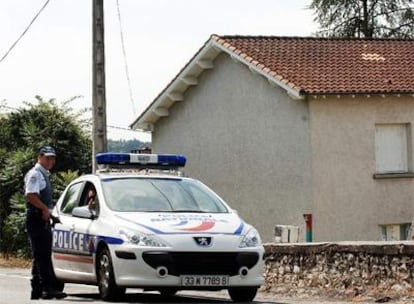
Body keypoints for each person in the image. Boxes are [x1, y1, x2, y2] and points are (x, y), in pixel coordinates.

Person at [24, 146, 67, 300]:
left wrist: (50, 215)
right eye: (47, 158)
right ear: (39, 157)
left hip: (41, 218)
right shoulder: (36, 174)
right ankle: (48, 288)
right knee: (42, 255)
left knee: (40, 254)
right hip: (36, 218)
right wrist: (44, 210)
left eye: (53, 158)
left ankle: (37, 289)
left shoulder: (43, 174)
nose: (50, 161)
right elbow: (31, 195)